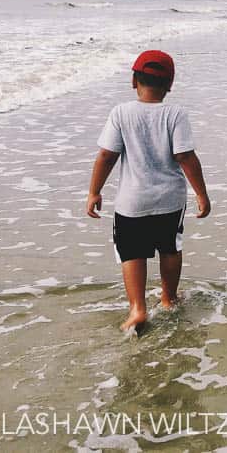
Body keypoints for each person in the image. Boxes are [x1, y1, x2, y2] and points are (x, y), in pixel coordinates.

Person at [86, 50, 211, 332]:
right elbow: (185, 156)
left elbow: (107, 155)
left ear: (134, 81)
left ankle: (137, 308)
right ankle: (168, 298)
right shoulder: (176, 114)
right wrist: (201, 194)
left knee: (132, 253)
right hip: (169, 199)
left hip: (132, 202)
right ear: (170, 85)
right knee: (169, 248)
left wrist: (94, 192)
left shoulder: (121, 113)